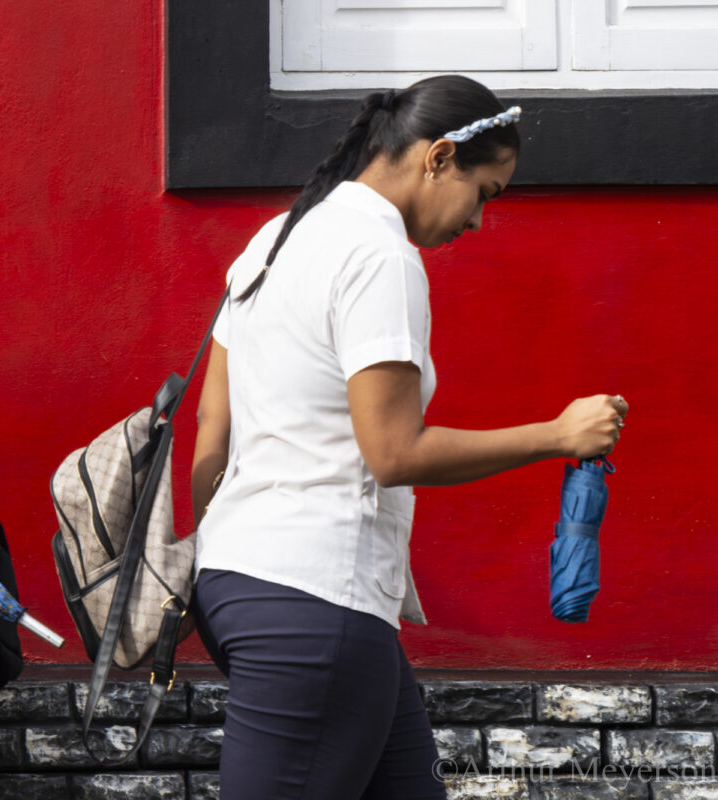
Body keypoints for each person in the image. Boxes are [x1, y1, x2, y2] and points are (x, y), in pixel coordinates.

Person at [189, 75, 629, 800]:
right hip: (314, 599)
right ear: (437, 158)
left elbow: (214, 428)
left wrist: (232, 549)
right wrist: (556, 434)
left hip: (245, 581)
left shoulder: (282, 234)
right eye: (485, 193)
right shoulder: (380, 255)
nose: (480, 222)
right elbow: (392, 453)